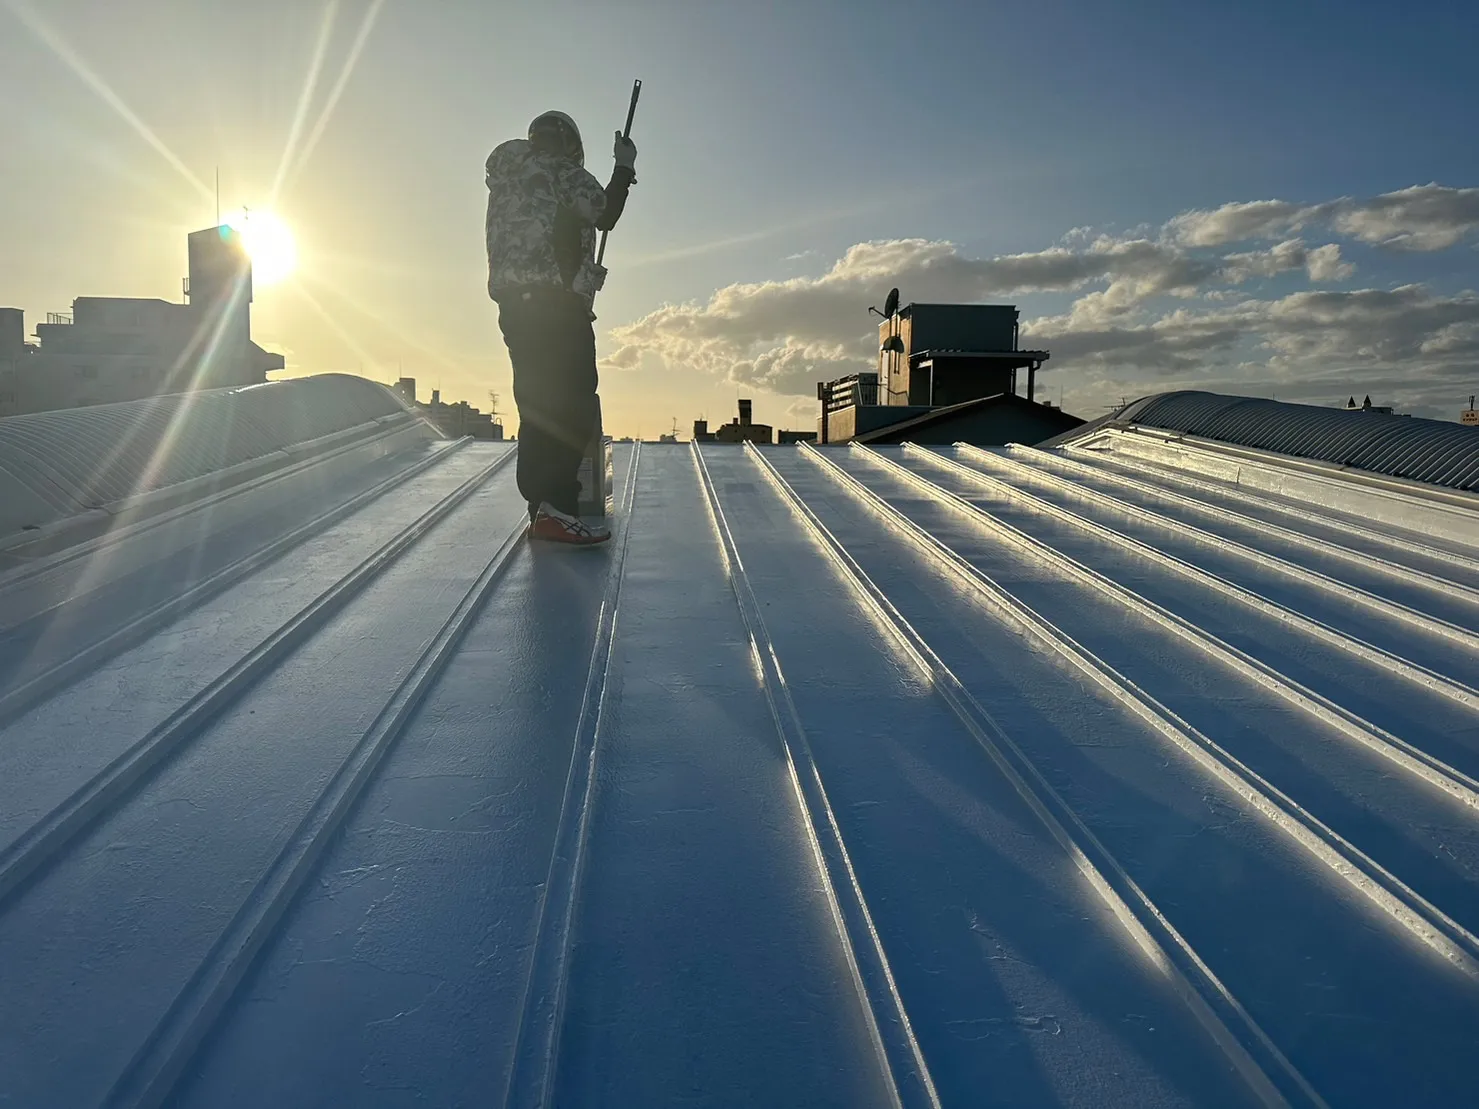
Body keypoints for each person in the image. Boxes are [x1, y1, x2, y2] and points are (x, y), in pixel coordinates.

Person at [485, 110, 637, 545]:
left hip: (516, 307)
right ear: (569, 144)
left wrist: (584, 277)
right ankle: (559, 505)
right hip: (556, 308)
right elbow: (602, 212)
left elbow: (547, 243)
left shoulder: (508, 182)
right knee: (572, 401)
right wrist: (623, 167)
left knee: (536, 404)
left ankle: (542, 507)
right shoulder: (565, 172)